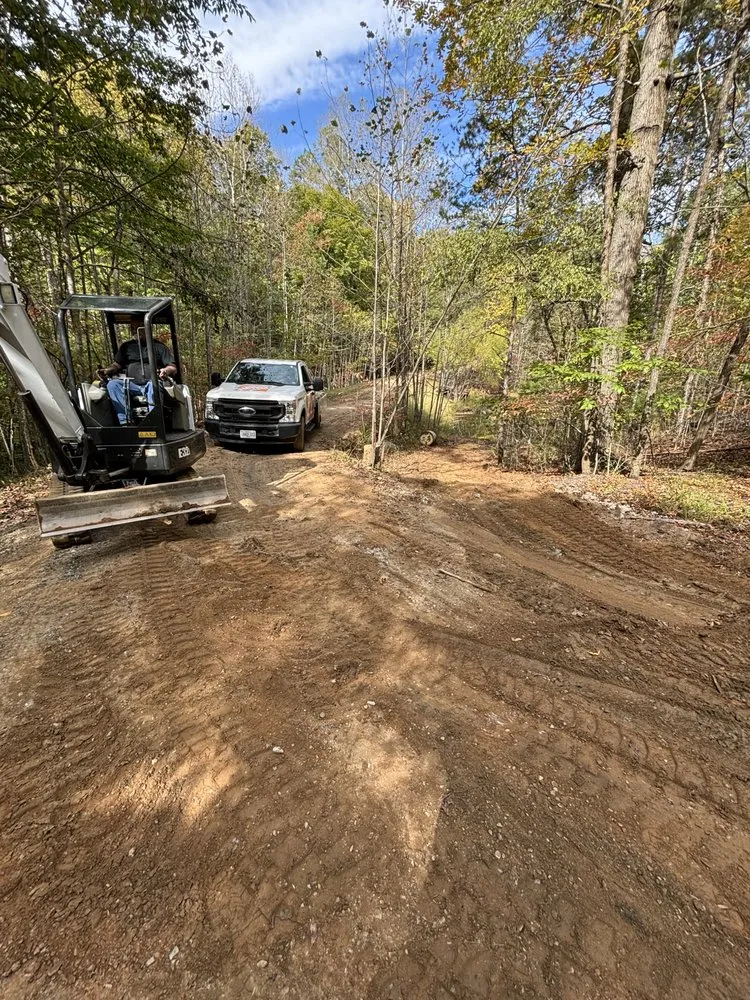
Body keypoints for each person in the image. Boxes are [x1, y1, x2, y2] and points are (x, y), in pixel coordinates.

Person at [98, 318, 176, 425]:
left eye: (138, 328)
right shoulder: (126, 347)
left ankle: (153, 421)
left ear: (147, 328)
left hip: (152, 383)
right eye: (133, 328)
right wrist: (107, 371)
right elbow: (116, 365)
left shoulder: (159, 347)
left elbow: (172, 367)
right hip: (131, 385)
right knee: (113, 384)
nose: (135, 331)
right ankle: (125, 422)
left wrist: (165, 370)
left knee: (154, 385)